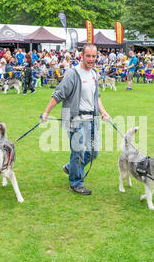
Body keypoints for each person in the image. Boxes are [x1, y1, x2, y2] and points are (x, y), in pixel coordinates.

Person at [41, 44, 110, 195]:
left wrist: (103, 112)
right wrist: (46, 112)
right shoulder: (73, 74)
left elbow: (96, 96)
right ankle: (76, 183)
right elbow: (58, 94)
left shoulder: (94, 74)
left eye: (94, 56)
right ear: (82, 56)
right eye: (88, 56)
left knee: (94, 153)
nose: (91, 59)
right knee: (78, 152)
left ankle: (71, 167)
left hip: (91, 120)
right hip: (75, 120)